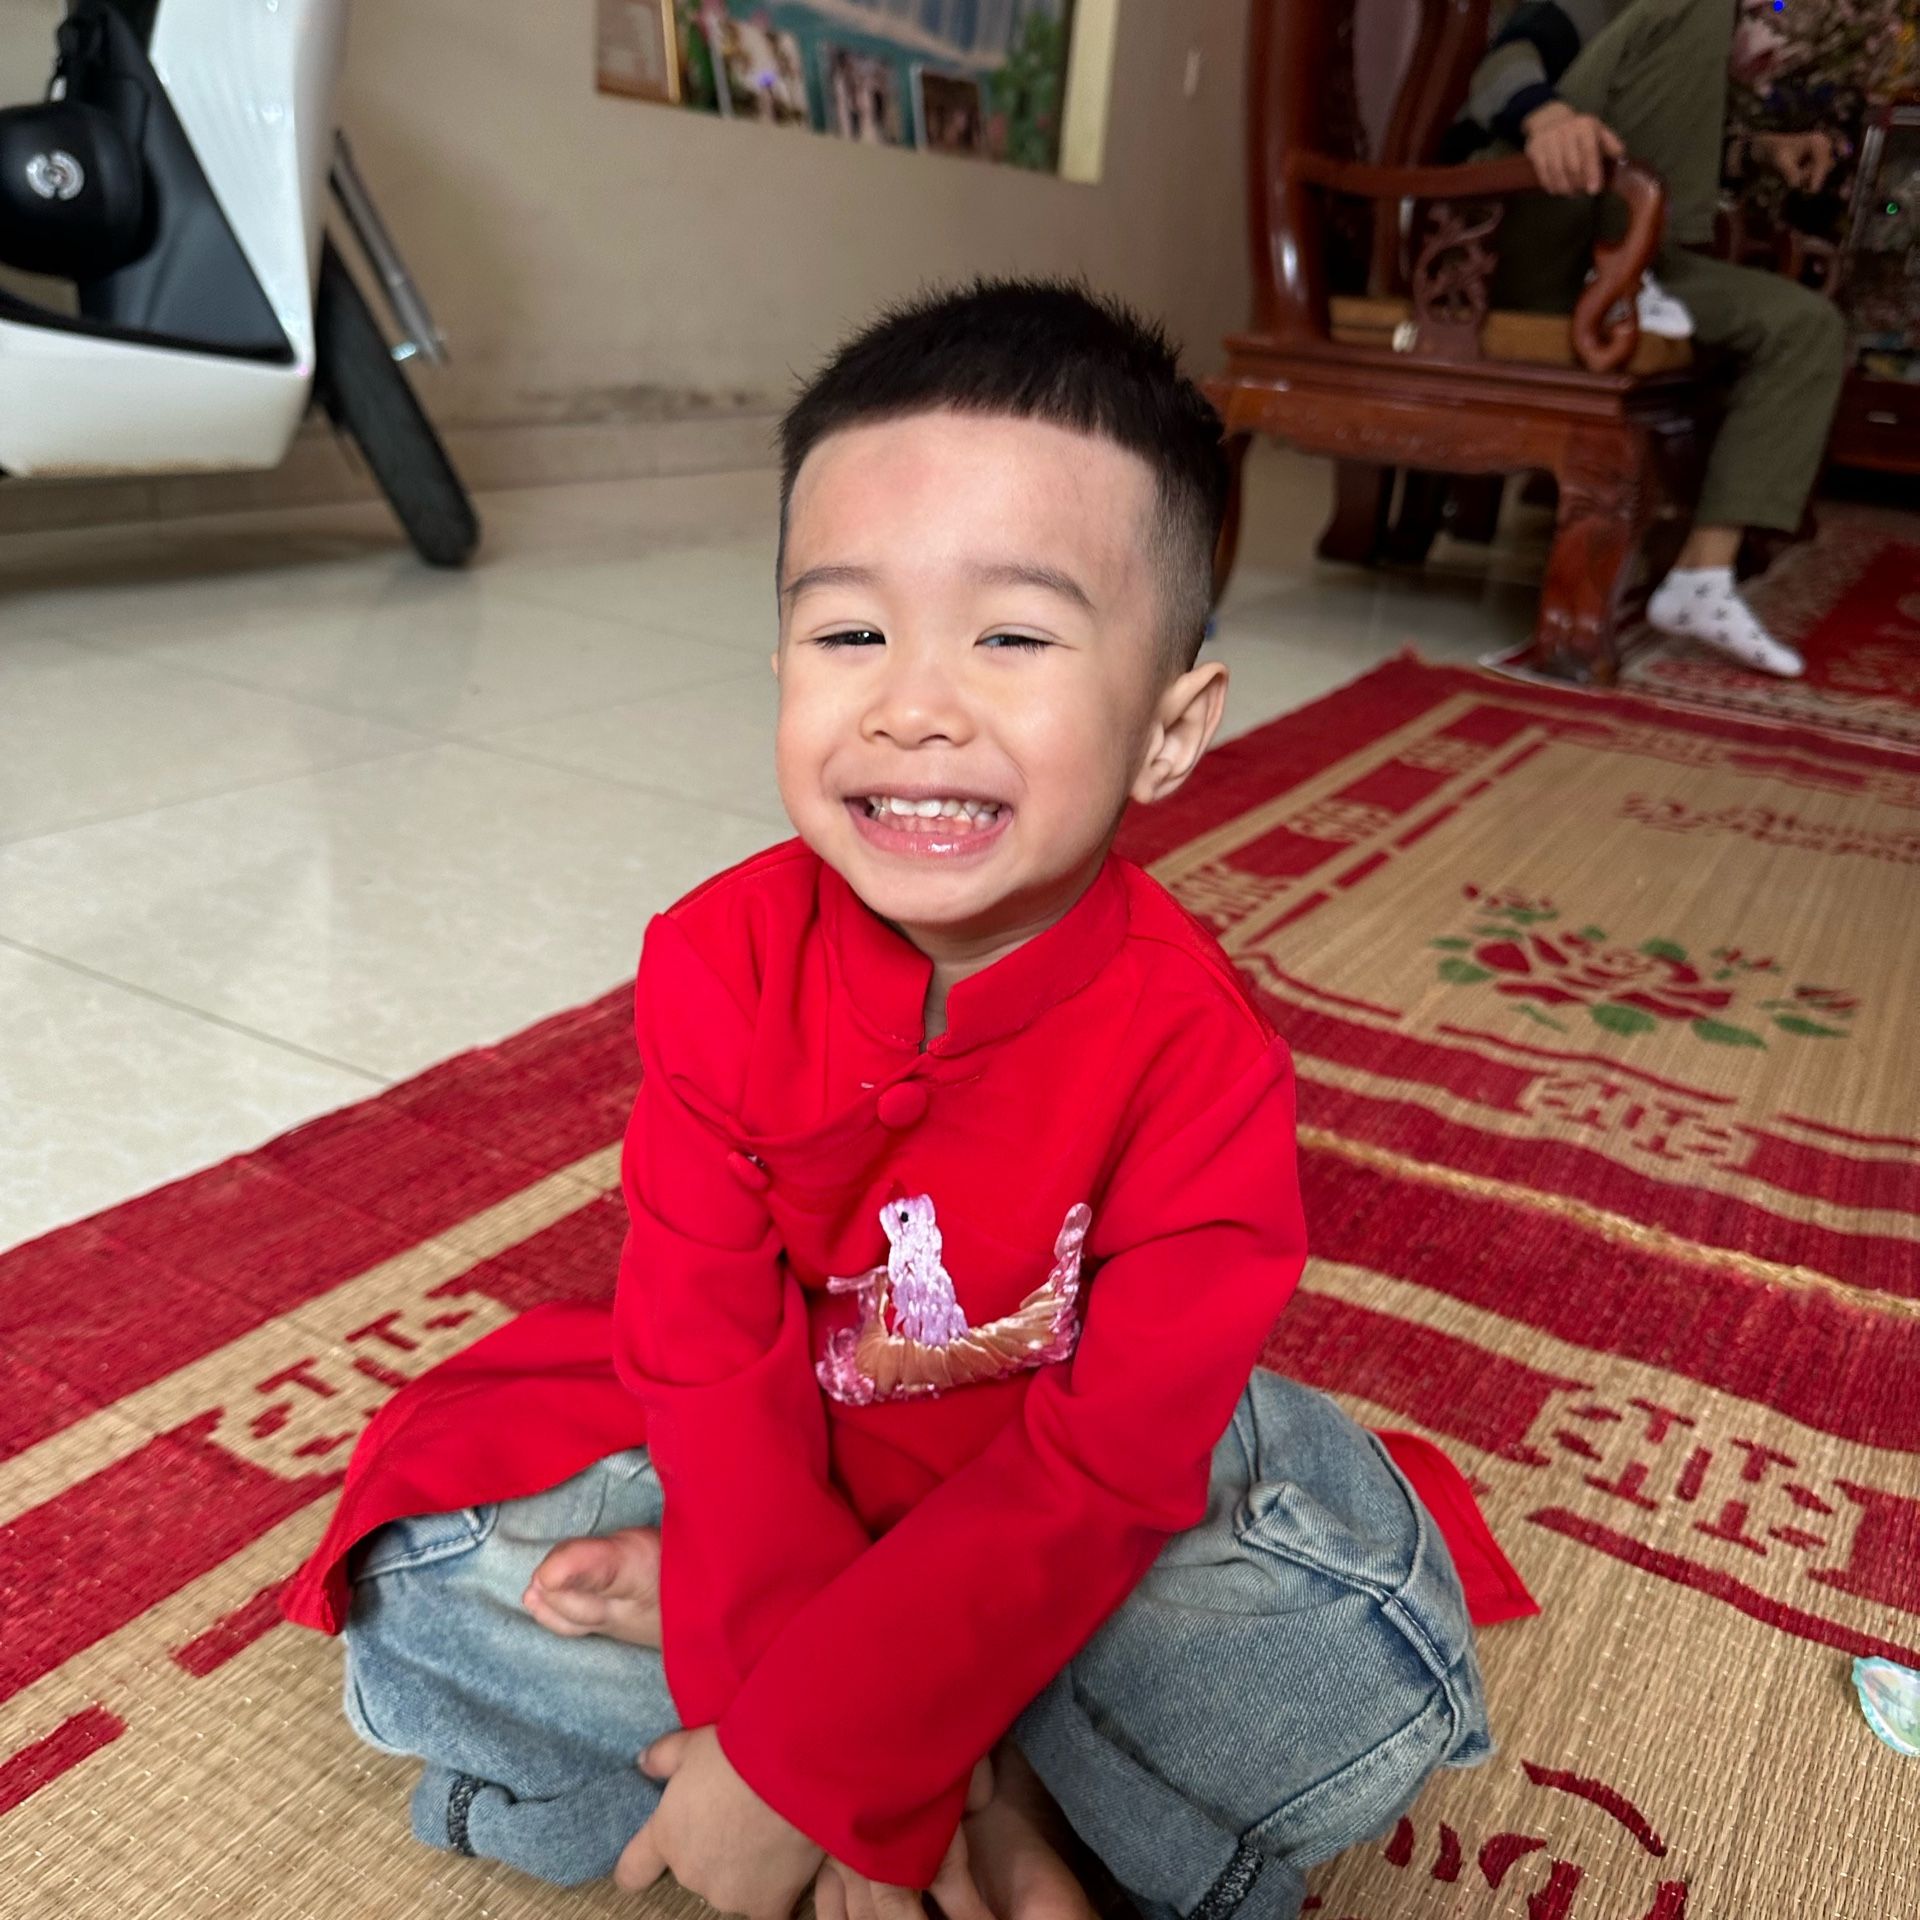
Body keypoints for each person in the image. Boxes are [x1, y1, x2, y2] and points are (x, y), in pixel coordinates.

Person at [281, 281, 1534, 1920]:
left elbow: (1110, 1474)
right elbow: (705, 1361)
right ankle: (1000, 1791)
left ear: (1170, 732)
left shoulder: (1205, 1060)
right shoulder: (714, 963)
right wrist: (809, 1716)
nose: (914, 703)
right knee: (433, 1581)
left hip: (1067, 1497)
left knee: (1350, 1645)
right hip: (782, 1452)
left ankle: (867, 1756)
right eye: (848, 634)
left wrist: (807, 1753)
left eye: (1012, 637)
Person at [1452, 0, 1848, 678]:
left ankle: (1703, 576)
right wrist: (1546, 117)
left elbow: (1653, 128)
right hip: (1516, 233)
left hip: (1626, 248)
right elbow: (1501, 64)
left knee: (1805, 326)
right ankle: (1637, 281)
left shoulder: (1668, 27)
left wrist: (1756, 150)